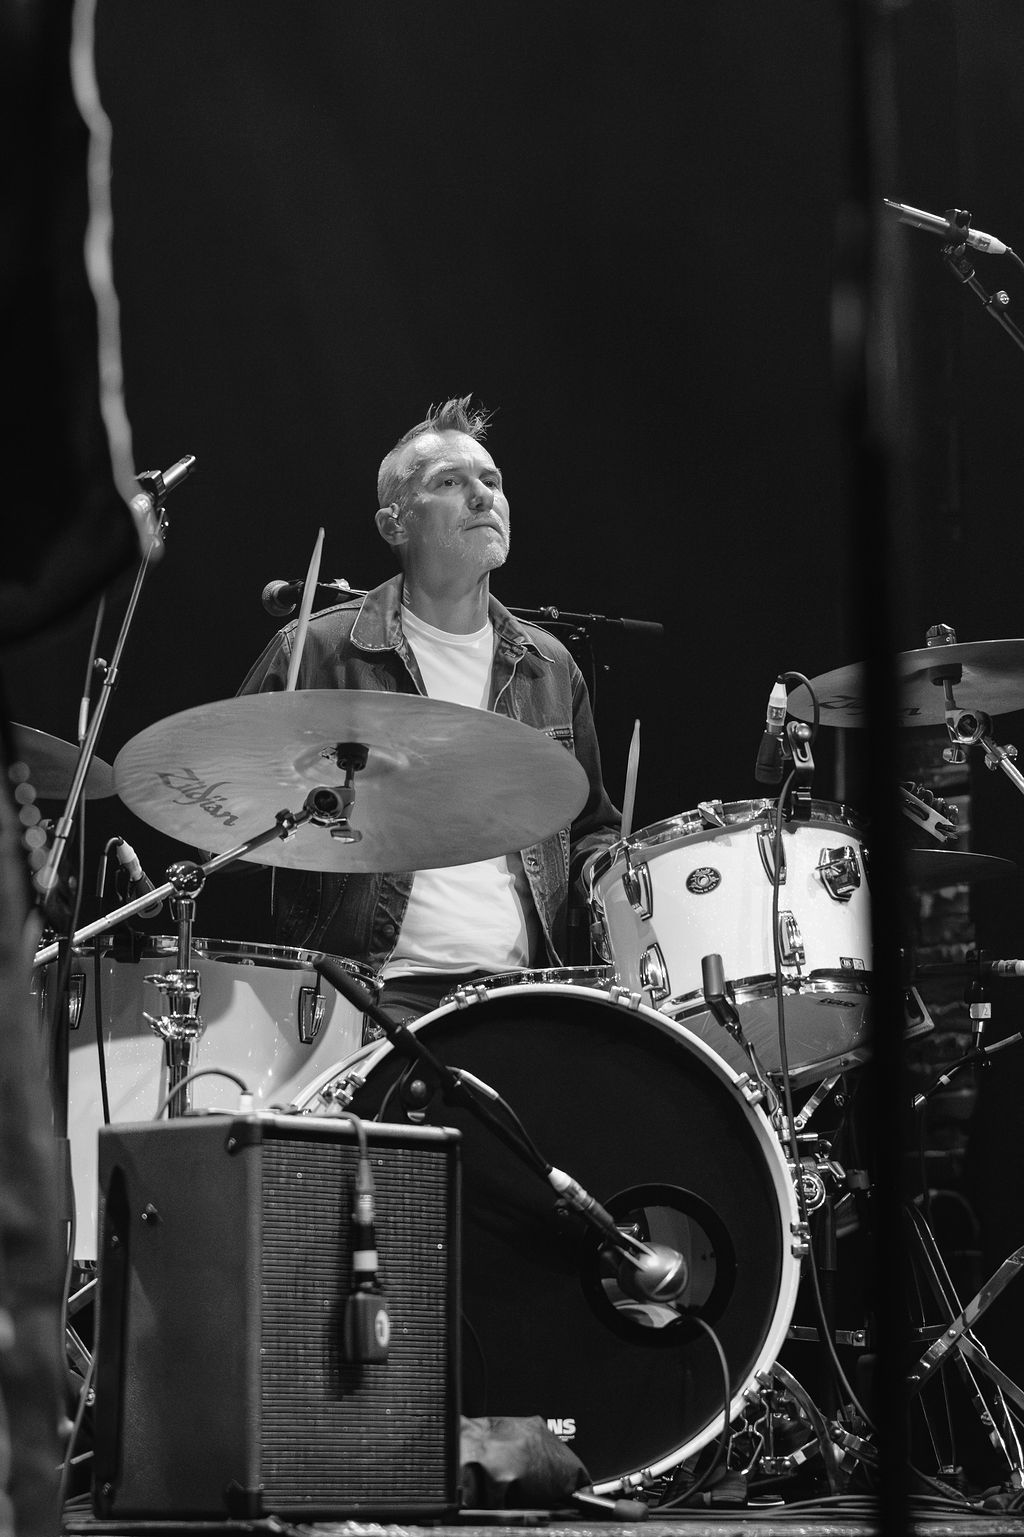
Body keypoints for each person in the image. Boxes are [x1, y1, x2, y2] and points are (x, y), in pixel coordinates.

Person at [238, 396, 620, 1034]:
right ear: (394, 524)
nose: (482, 495)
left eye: (492, 481)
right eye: (450, 482)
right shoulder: (323, 650)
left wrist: (617, 875)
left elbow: (590, 829)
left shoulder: (549, 667)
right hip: (370, 995)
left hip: (526, 993)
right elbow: (227, 797)